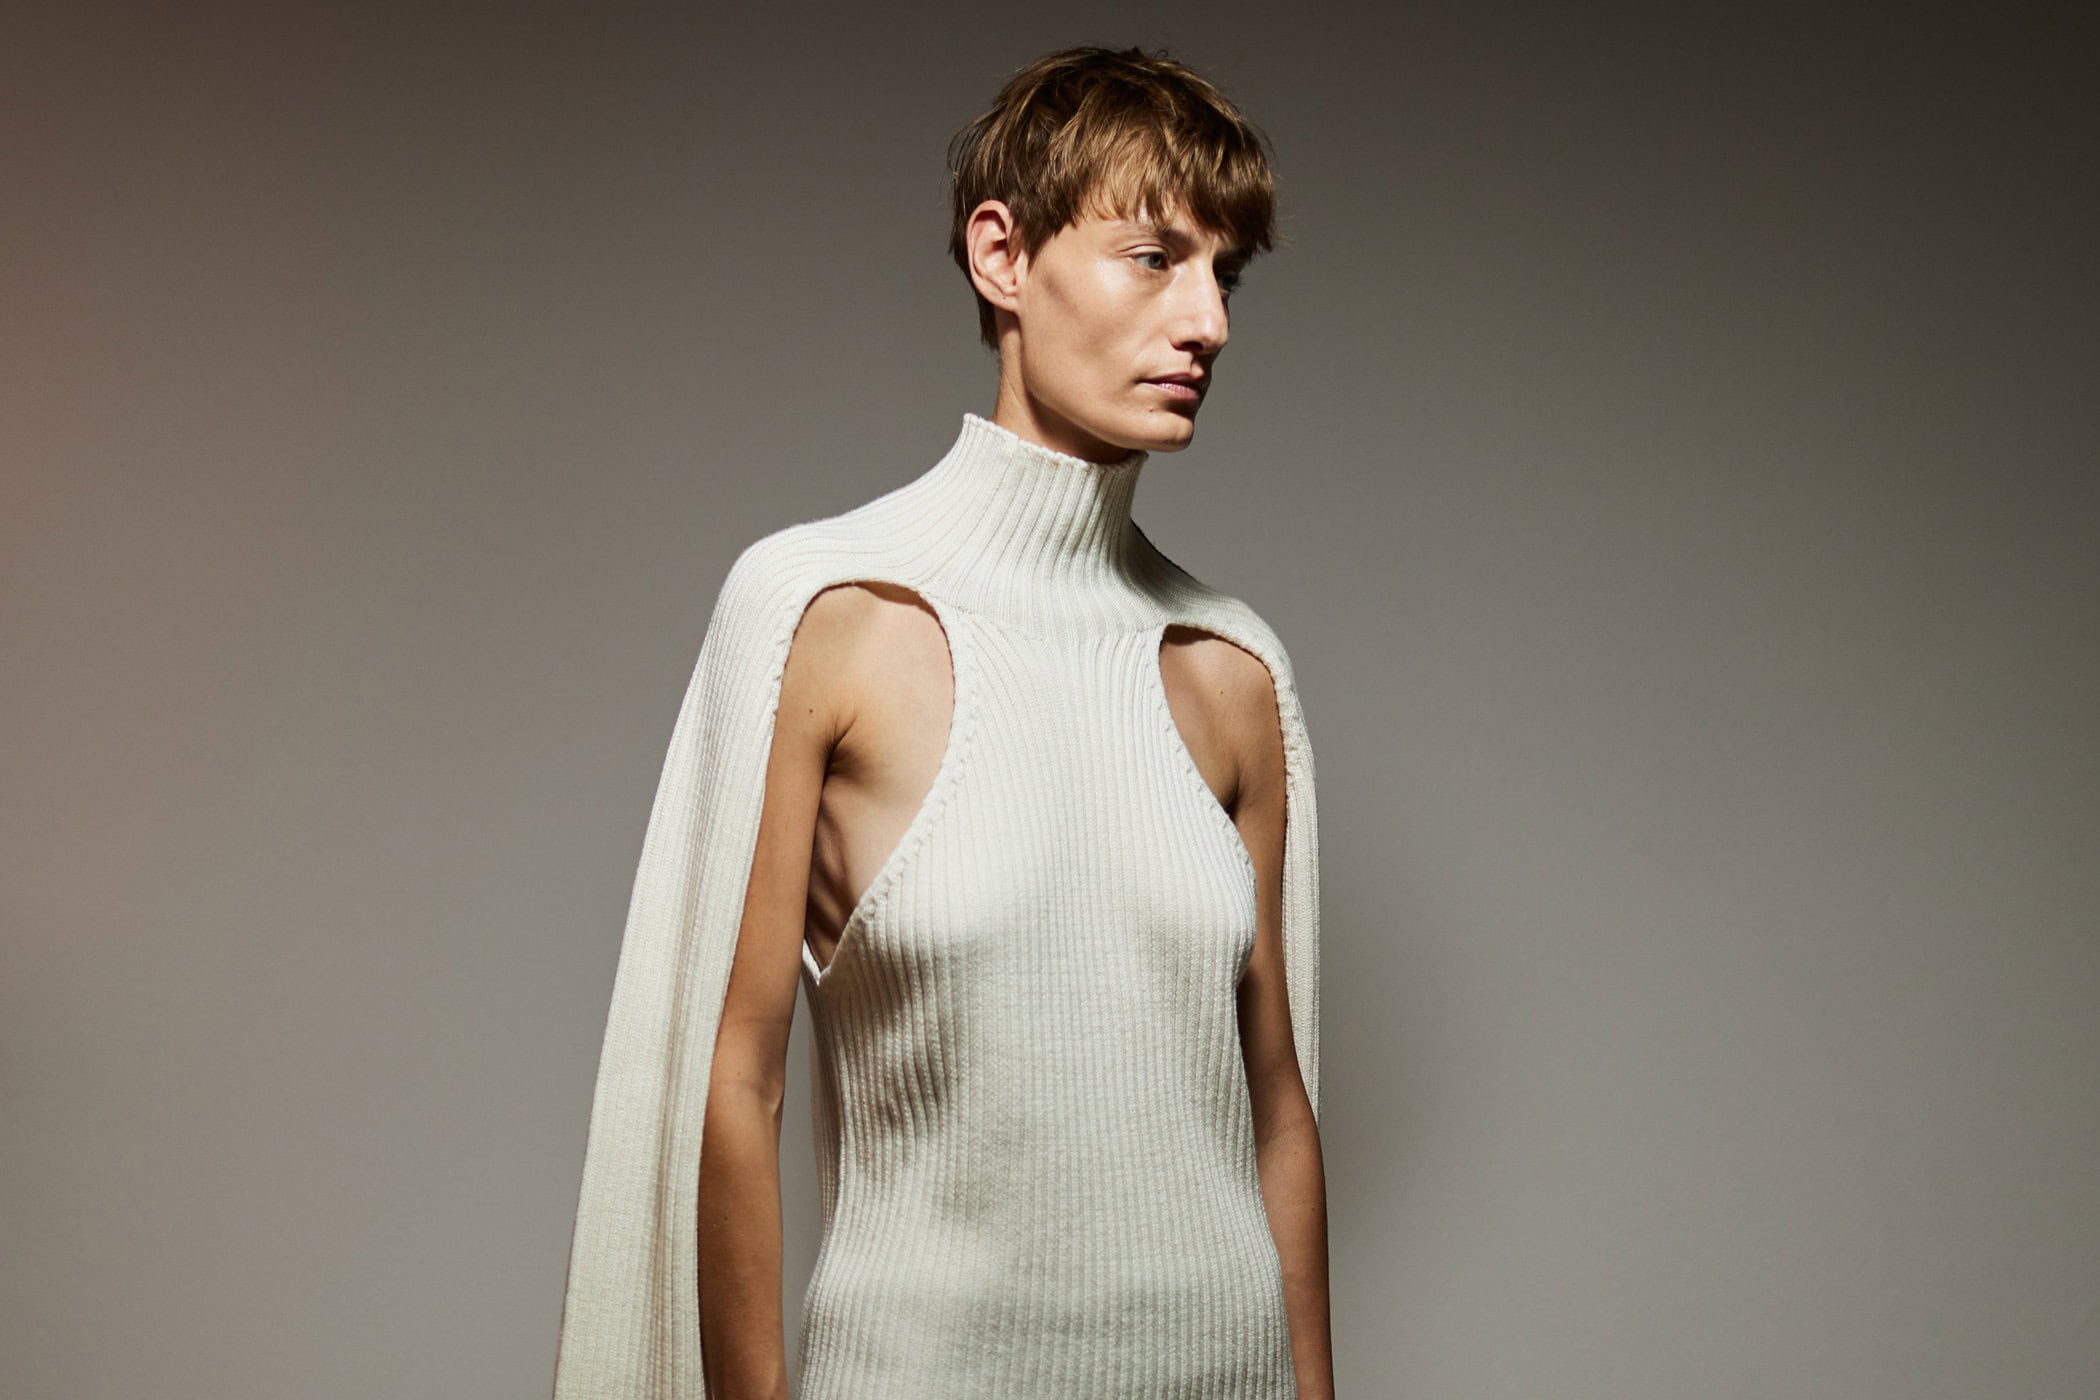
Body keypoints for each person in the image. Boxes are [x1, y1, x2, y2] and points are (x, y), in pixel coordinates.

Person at [553, 44, 1332, 1400]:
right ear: (1001, 256)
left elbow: (1279, 1116)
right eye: (1155, 258)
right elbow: (733, 1085)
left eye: (1227, 274)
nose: (1208, 320)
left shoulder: (1230, 672)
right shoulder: (826, 613)